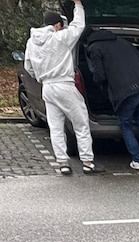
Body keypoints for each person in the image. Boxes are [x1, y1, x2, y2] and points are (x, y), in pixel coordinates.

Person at [23, 0, 96, 175]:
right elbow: (78, 26)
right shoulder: (60, 37)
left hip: (47, 87)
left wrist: (40, 76)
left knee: (55, 127)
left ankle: (63, 163)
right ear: (57, 25)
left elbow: (28, 66)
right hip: (64, 84)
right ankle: (87, 163)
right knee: (81, 124)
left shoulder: (32, 42)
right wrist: (78, 5)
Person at [81, 24, 139, 171]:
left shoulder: (94, 48)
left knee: (125, 125)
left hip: (125, 92)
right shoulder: (122, 42)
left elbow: (100, 76)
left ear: (85, 41)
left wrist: (102, 88)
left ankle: (138, 161)